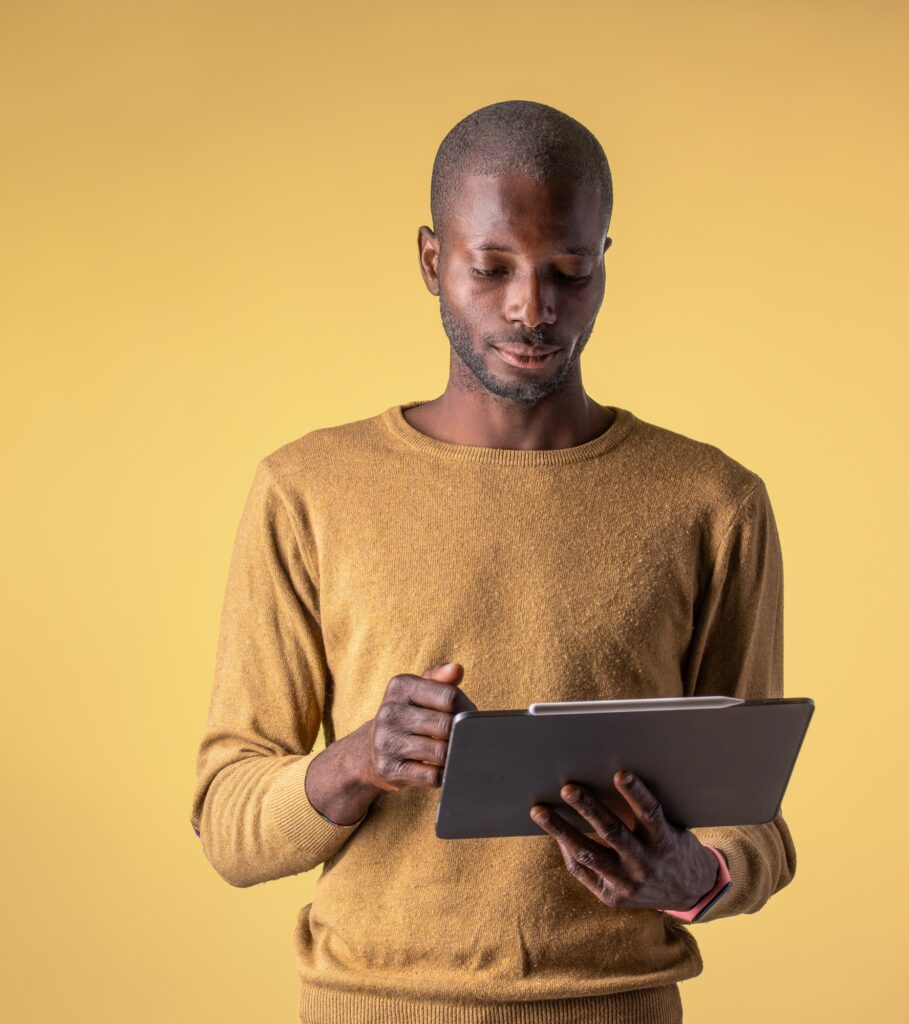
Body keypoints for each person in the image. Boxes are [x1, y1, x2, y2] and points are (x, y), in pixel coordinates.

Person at [189, 99, 797, 1024]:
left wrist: (694, 875)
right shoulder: (305, 488)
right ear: (433, 261)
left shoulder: (713, 502)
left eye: (569, 270)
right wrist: (358, 760)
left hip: (617, 1005)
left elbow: (753, 811)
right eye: (493, 268)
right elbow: (229, 822)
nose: (532, 308)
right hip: (369, 1003)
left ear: (603, 265)